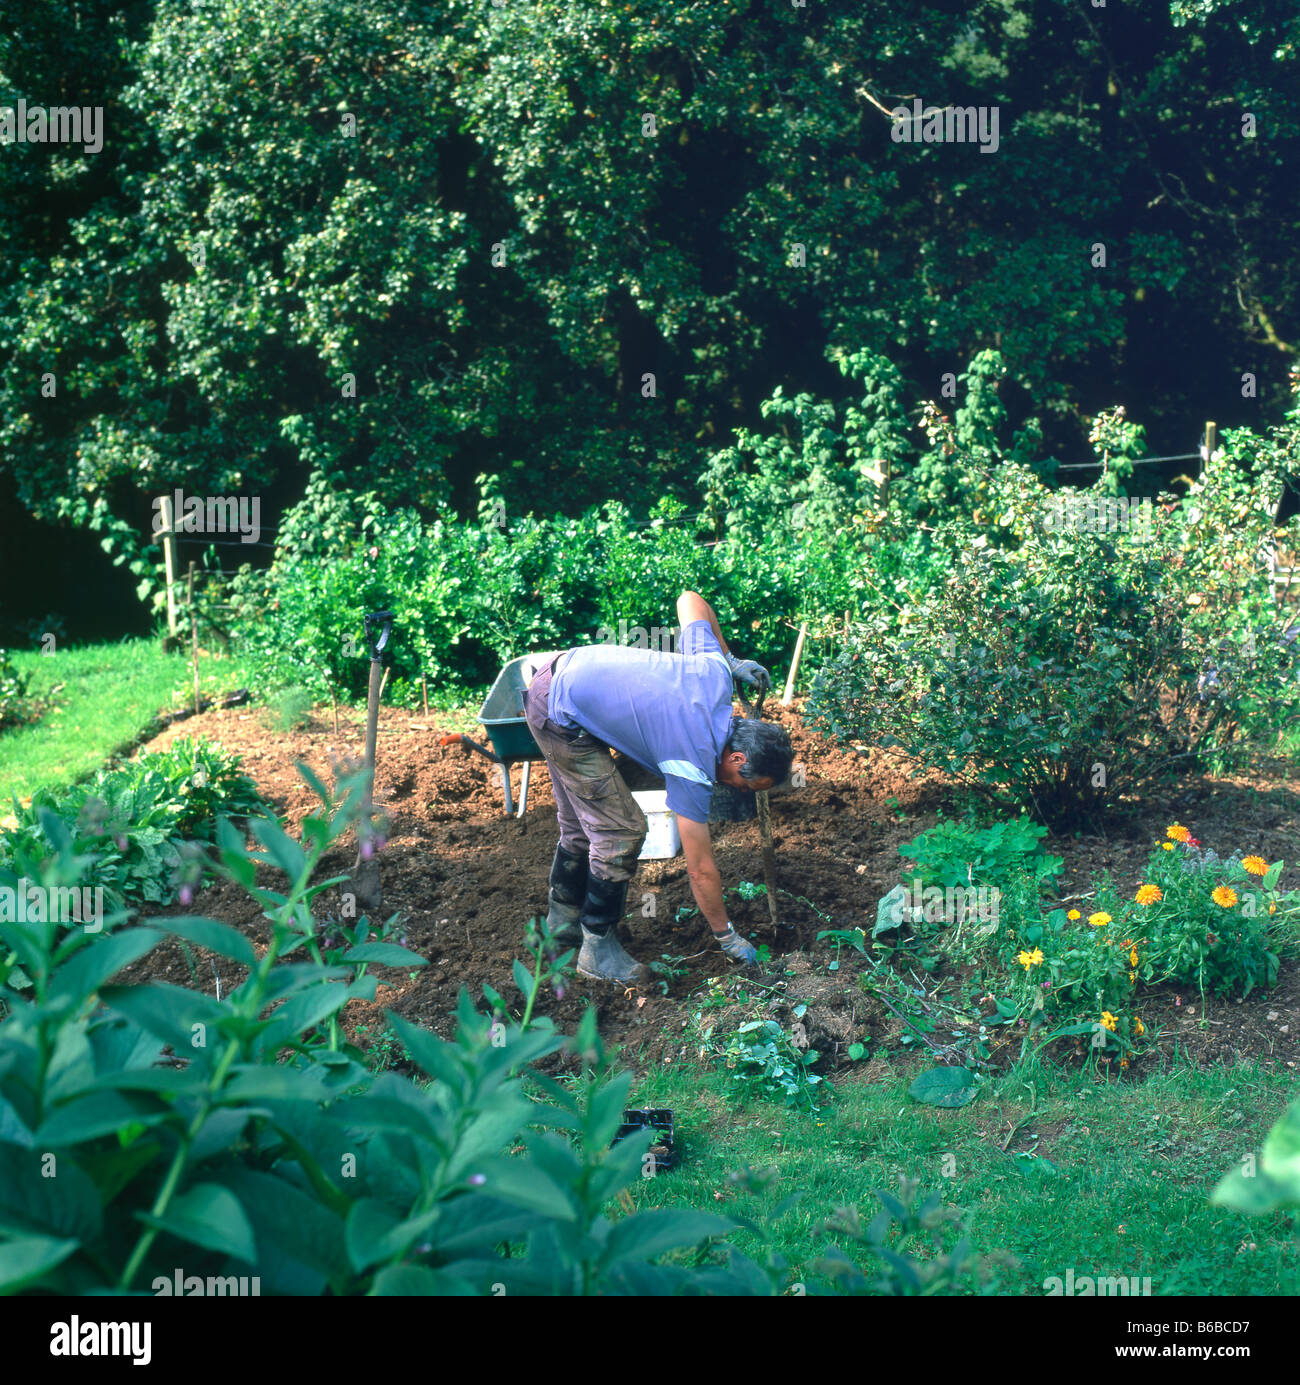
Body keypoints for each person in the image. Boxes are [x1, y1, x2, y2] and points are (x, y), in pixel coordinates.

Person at [522, 590, 794, 984]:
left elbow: (690, 600)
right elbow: (700, 869)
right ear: (737, 759)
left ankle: (561, 928)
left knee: (582, 826)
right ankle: (597, 949)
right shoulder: (693, 762)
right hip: (559, 713)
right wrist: (726, 936)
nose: (740, 790)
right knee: (620, 830)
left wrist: (729, 659)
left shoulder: (714, 674)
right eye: (748, 785)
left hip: (563, 678)